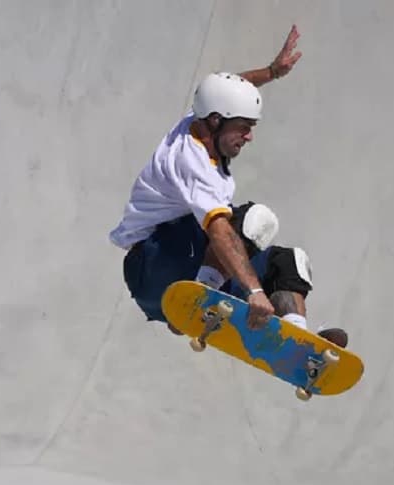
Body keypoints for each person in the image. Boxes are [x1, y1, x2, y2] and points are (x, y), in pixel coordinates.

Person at [109, 26, 348, 347]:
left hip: (182, 262)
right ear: (216, 121)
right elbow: (220, 232)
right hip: (153, 265)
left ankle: (298, 341)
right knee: (252, 220)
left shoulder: (199, 118)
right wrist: (255, 291)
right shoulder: (192, 161)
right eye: (243, 127)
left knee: (289, 262)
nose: (249, 137)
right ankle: (201, 299)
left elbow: (227, 88)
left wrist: (272, 72)